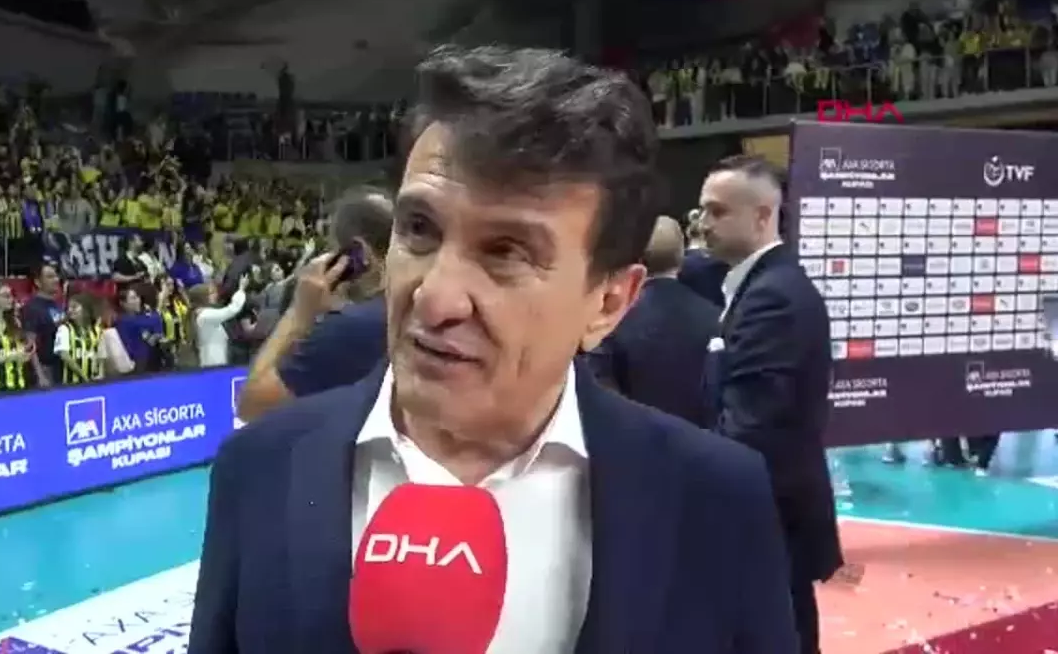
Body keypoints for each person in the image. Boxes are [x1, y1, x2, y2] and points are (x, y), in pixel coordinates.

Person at [190, 45, 797, 654]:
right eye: (419, 229)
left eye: (507, 251)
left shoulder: (718, 498)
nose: (435, 297)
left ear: (609, 302)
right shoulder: (259, 467)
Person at [698, 154, 842, 654]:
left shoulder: (772, 297)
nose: (703, 223)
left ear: (762, 215)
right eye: (702, 210)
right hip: (772, 513)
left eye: (718, 211)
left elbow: (753, 424)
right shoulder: (762, 287)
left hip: (770, 518)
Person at [235, 186, 393, 422]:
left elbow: (250, 405)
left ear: (358, 253)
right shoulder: (412, 309)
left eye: (333, 250)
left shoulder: (348, 329)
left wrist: (299, 312)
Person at [586, 215, 721, 426]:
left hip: (629, 436)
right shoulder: (716, 318)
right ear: (681, 256)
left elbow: (599, 392)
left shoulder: (609, 322)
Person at [187, 274, 250, 368]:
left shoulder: (203, 313)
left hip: (214, 359)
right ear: (202, 297)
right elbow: (232, 310)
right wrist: (241, 289)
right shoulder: (205, 315)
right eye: (211, 293)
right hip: (214, 361)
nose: (215, 295)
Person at [19, 263, 65, 387]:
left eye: (56, 276)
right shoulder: (32, 308)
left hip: (60, 366)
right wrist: (40, 375)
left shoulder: (56, 305)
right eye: (50, 277)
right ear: (38, 282)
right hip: (45, 368)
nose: (56, 280)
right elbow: (30, 344)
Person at [53, 292, 103, 384]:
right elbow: (64, 355)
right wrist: (83, 376)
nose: (70, 310)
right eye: (68, 308)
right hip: (72, 383)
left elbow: (100, 354)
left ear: (86, 309)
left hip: (95, 380)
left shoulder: (96, 330)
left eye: (74, 307)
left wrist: (100, 373)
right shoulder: (65, 329)